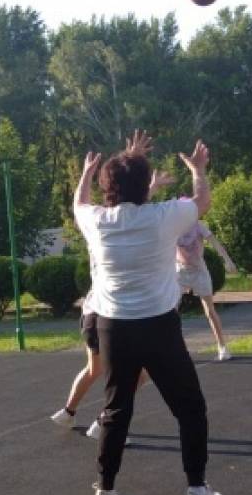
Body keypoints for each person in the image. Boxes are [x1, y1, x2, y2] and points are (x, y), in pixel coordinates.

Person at [73, 130, 224, 495]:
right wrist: (198, 169)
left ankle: (105, 492)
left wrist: (89, 171)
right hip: (158, 327)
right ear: (146, 186)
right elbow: (202, 201)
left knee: (116, 409)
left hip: (113, 328)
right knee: (190, 408)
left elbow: (80, 201)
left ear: (107, 186)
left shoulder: (97, 222)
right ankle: (197, 492)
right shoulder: (162, 217)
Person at [50, 170, 174, 438]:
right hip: (108, 315)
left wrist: (149, 186)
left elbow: (124, 209)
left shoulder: (100, 229)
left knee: (96, 368)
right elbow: (131, 212)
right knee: (134, 374)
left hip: (91, 314)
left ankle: (68, 412)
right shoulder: (110, 230)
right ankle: (104, 423)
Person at [175, 217, 236, 361]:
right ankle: (174, 349)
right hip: (180, 272)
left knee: (210, 310)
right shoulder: (174, 226)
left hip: (199, 271)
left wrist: (228, 261)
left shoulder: (197, 225)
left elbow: (214, 242)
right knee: (171, 312)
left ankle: (222, 347)